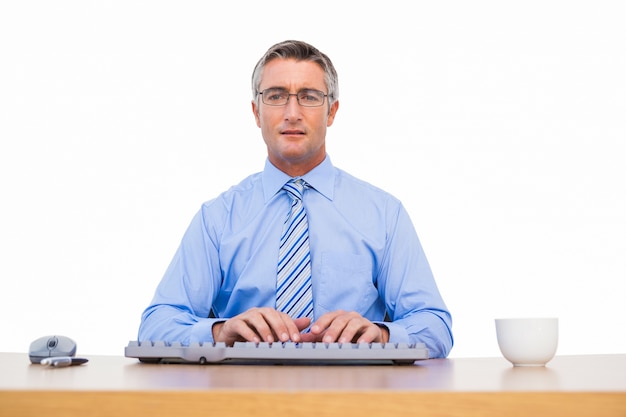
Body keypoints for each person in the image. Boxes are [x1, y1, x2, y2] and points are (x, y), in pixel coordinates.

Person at [137, 40, 453, 358]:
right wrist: (221, 332)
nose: (292, 113)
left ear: (331, 111)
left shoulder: (384, 214)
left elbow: (435, 327)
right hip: (242, 400)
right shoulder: (218, 218)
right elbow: (155, 327)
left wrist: (383, 336)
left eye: (309, 97)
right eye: (275, 96)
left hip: (353, 400)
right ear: (256, 112)